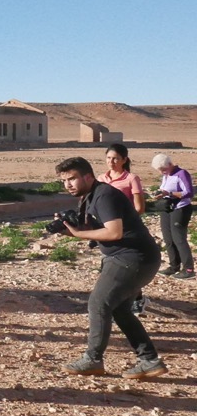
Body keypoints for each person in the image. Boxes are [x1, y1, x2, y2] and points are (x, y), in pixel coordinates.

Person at [53, 157, 166, 379]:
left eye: (72, 178)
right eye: (64, 180)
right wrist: (71, 227)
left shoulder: (104, 195)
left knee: (98, 303)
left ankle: (93, 359)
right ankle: (150, 360)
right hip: (138, 258)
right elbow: (99, 228)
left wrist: (77, 234)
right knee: (120, 309)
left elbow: (114, 232)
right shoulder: (91, 196)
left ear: (88, 176)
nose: (68, 184)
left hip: (132, 258)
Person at [101, 143, 147, 314]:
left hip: (127, 230)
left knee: (128, 268)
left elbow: (139, 208)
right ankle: (114, 302)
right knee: (109, 265)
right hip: (106, 230)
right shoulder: (101, 179)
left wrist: (123, 221)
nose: (111, 162)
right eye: (108, 158)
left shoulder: (131, 178)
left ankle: (137, 299)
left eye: (115, 158)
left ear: (124, 160)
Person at [150, 153, 193, 280]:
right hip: (167, 208)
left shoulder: (181, 173)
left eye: (163, 169)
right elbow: (165, 190)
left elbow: (189, 192)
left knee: (179, 239)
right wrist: (161, 194)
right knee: (168, 239)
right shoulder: (166, 175)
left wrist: (170, 193)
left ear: (169, 164)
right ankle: (174, 266)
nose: (162, 172)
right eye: (160, 170)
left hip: (180, 209)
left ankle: (188, 269)